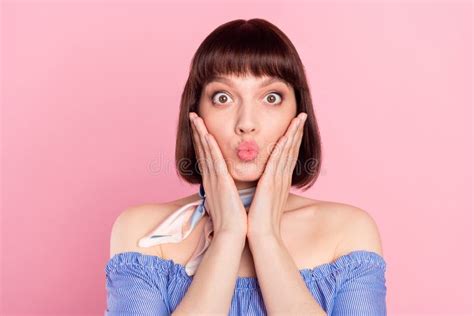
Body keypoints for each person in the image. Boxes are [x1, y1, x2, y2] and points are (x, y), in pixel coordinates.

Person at [105, 18, 387, 315]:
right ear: (195, 112)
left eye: (271, 97)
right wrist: (228, 234)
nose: (247, 124)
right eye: (223, 98)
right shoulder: (144, 232)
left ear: (299, 113)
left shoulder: (347, 232)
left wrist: (266, 236)